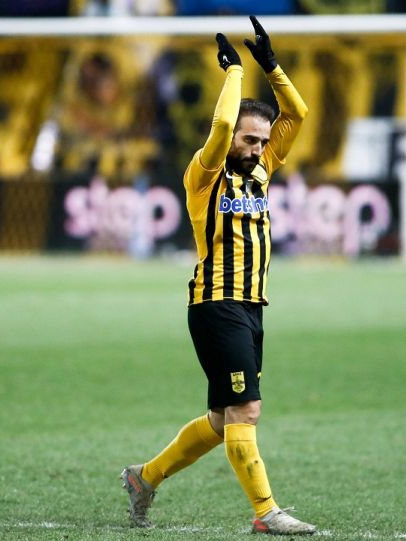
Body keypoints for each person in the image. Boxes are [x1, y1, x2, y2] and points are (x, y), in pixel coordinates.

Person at [120, 15, 314, 536]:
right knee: (245, 410)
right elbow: (224, 127)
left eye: (263, 142)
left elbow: (298, 113)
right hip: (217, 304)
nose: (257, 148)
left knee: (222, 420)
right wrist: (233, 72)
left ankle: (144, 477)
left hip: (251, 307)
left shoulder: (262, 171)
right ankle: (266, 513)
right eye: (251, 140)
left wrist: (271, 67)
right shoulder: (204, 175)